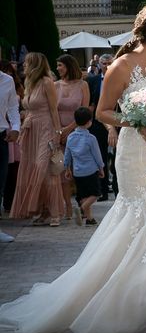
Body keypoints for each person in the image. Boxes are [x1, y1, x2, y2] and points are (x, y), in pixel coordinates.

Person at [0, 4, 146, 333]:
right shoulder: (121, 66)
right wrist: (132, 120)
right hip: (137, 156)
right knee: (138, 223)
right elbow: (103, 112)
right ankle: (117, 299)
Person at [10, 52, 65, 227]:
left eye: (27, 63)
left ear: (35, 65)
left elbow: (54, 109)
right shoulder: (29, 83)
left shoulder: (47, 82)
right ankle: (43, 211)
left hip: (46, 129)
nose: (23, 66)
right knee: (33, 169)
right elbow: (28, 108)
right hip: (31, 130)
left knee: (45, 170)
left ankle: (55, 212)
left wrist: (57, 133)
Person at [55, 54, 90, 219]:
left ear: (69, 66)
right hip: (58, 132)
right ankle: (67, 206)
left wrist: (69, 129)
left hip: (78, 132)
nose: (58, 68)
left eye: (60, 65)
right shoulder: (55, 86)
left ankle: (83, 204)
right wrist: (58, 131)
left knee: (80, 169)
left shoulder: (83, 85)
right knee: (63, 170)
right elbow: (52, 111)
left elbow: (85, 111)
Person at [63, 106, 104, 226]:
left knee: (84, 195)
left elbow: (67, 154)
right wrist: (101, 168)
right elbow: (97, 155)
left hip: (77, 171)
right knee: (95, 193)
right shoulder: (91, 138)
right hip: (90, 170)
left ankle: (89, 218)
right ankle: (82, 209)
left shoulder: (70, 137)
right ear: (89, 122)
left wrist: (67, 168)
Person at [86, 54, 115, 201]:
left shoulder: (120, 79)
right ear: (99, 64)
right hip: (97, 124)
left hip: (117, 123)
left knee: (117, 158)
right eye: (104, 63)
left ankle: (117, 190)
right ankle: (102, 191)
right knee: (100, 157)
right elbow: (90, 102)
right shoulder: (93, 80)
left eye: (110, 63)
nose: (107, 66)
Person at [0, 60, 23, 214]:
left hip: (1, 136)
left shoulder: (7, 80)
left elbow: (13, 107)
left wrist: (15, 128)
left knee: (1, 180)